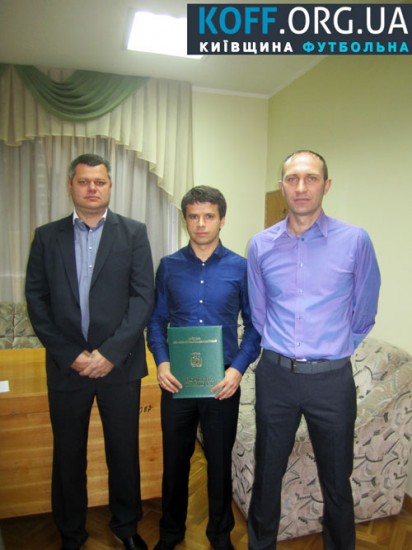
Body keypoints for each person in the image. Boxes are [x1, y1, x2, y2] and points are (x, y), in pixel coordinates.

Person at [246, 150, 381, 550]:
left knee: (337, 480)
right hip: (276, 378)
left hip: (331, 383)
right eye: (292, 179)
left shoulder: (355, 241)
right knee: (267, 474)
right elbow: (258, 312)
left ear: (326, 185)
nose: (301, 187)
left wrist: (331, 351)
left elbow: (364, 311)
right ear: (281, 186)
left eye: (311, 178)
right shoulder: (260, 245)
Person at [25, 154, 154, 550]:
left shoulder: (133, 233)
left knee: (123, 452)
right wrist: (71, 354)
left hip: (121, 365)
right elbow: (37, 300)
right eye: (84, 181)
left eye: (99, 181)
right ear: (71, 186)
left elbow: (143, 297)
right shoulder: (47, 237)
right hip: (68, 367)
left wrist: (110, 353)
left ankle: (126, 527)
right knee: (68, 454)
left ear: (109, 186)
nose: (92, 188)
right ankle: (71, 532)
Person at [147, 185, 261, 550]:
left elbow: (256, 326)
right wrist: (162, 362)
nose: (200, 223)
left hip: (222, 382)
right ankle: (170, 533)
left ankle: (219, 535)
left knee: (219, 463)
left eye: (208, 216)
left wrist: (237, 370)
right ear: (185, 220)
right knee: (175, 462)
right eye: (193, 216)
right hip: (177, 381)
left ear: (222, 220)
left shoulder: (240, 268)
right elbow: (156, 320)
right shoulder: (168, 266)